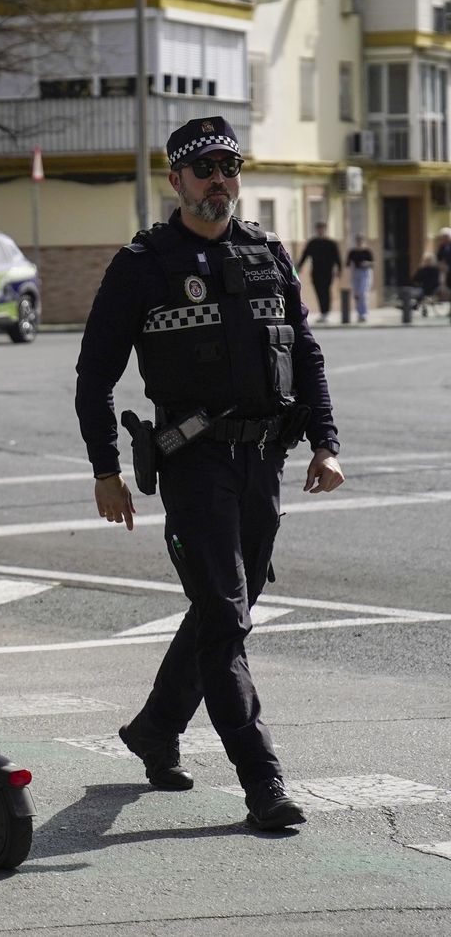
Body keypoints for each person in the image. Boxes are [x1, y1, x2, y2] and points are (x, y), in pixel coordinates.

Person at [74, 117, 345, 832]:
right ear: (177, 181)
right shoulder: (143, 264)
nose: (220, 181)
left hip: (265, 462)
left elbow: (306, 354)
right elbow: (94, 375)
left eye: (230, 167)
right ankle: (264, 784)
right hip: (195, 466)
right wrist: (106, 469)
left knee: (226, 608)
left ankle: (156, 729)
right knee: (226, 621)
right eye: (205, 170)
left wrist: (325, 442)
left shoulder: (266, 254)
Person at [295, 222, 341, 323]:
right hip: (316, 271)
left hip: (327, 271)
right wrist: (299, 268)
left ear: (325, 230)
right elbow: (305, 255)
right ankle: (323, 312)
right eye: (318, 229)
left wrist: (339, 269)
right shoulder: (313, 243)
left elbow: (337, 258)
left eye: (322, 229)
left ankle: (326, 312)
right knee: (318, 291)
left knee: (326, 290)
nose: (320, 231)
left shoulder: (331, 243)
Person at [346, 235, 375, 321]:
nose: (359, 243)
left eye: (361, 241)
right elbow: (347, 263)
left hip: (365, 273)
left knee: (363, 293)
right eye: (358, 241)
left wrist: (367, 263)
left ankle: (364, 313)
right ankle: (359, 312)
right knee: (357, 294)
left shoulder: (367, 252)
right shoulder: (352, 252)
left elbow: (372, 264)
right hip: (355, 273)